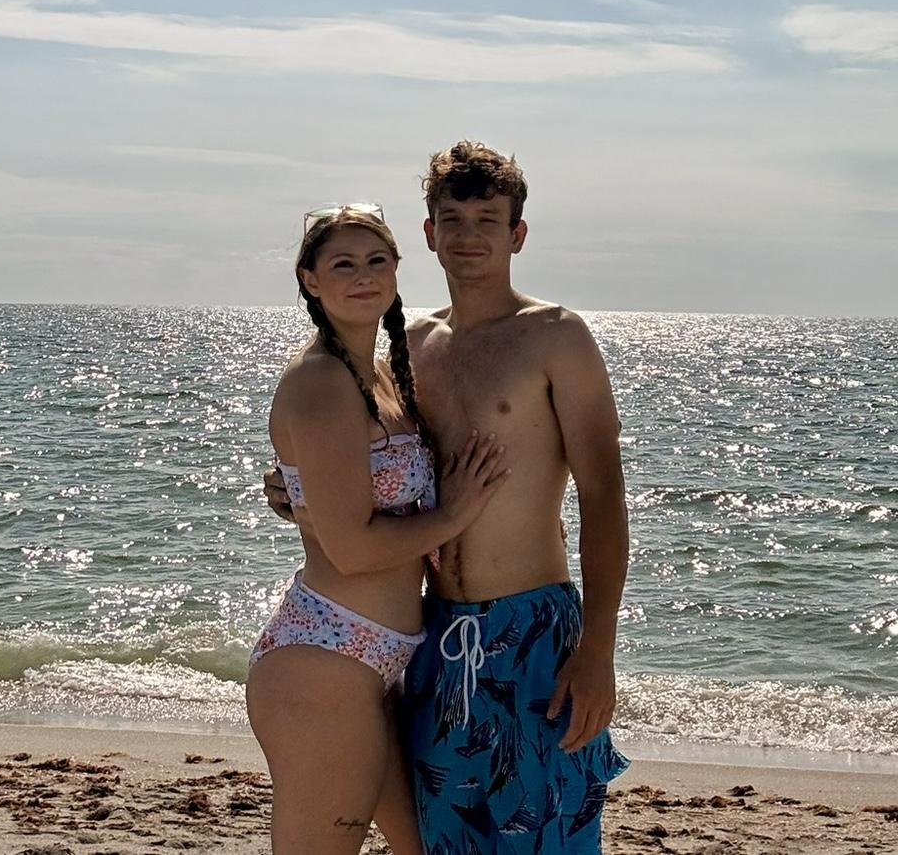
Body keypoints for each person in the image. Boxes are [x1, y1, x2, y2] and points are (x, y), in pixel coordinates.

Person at [266, 143, 630, 853]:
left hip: (534, 632)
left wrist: (598, 650)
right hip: (433, 637)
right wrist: (293, 489)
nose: (469, 237)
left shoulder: (556, 337)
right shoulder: (410, 349)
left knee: (548, 836)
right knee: (444, 842)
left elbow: (604, 498)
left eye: (488, 220)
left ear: (517, 234)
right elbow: (369, 464)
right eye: (452, 220)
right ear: (429, 234)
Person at [246, 204, 511, 855]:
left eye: (376, 261)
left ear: (396, 270)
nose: (363, 276)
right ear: (310, 280)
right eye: (343, 264)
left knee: (424, 846)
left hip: (382, 662)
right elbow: (353, 549)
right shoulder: (321, 381)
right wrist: (454, 515)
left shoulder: (383, 376)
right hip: (326, 662)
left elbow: (341, 496)